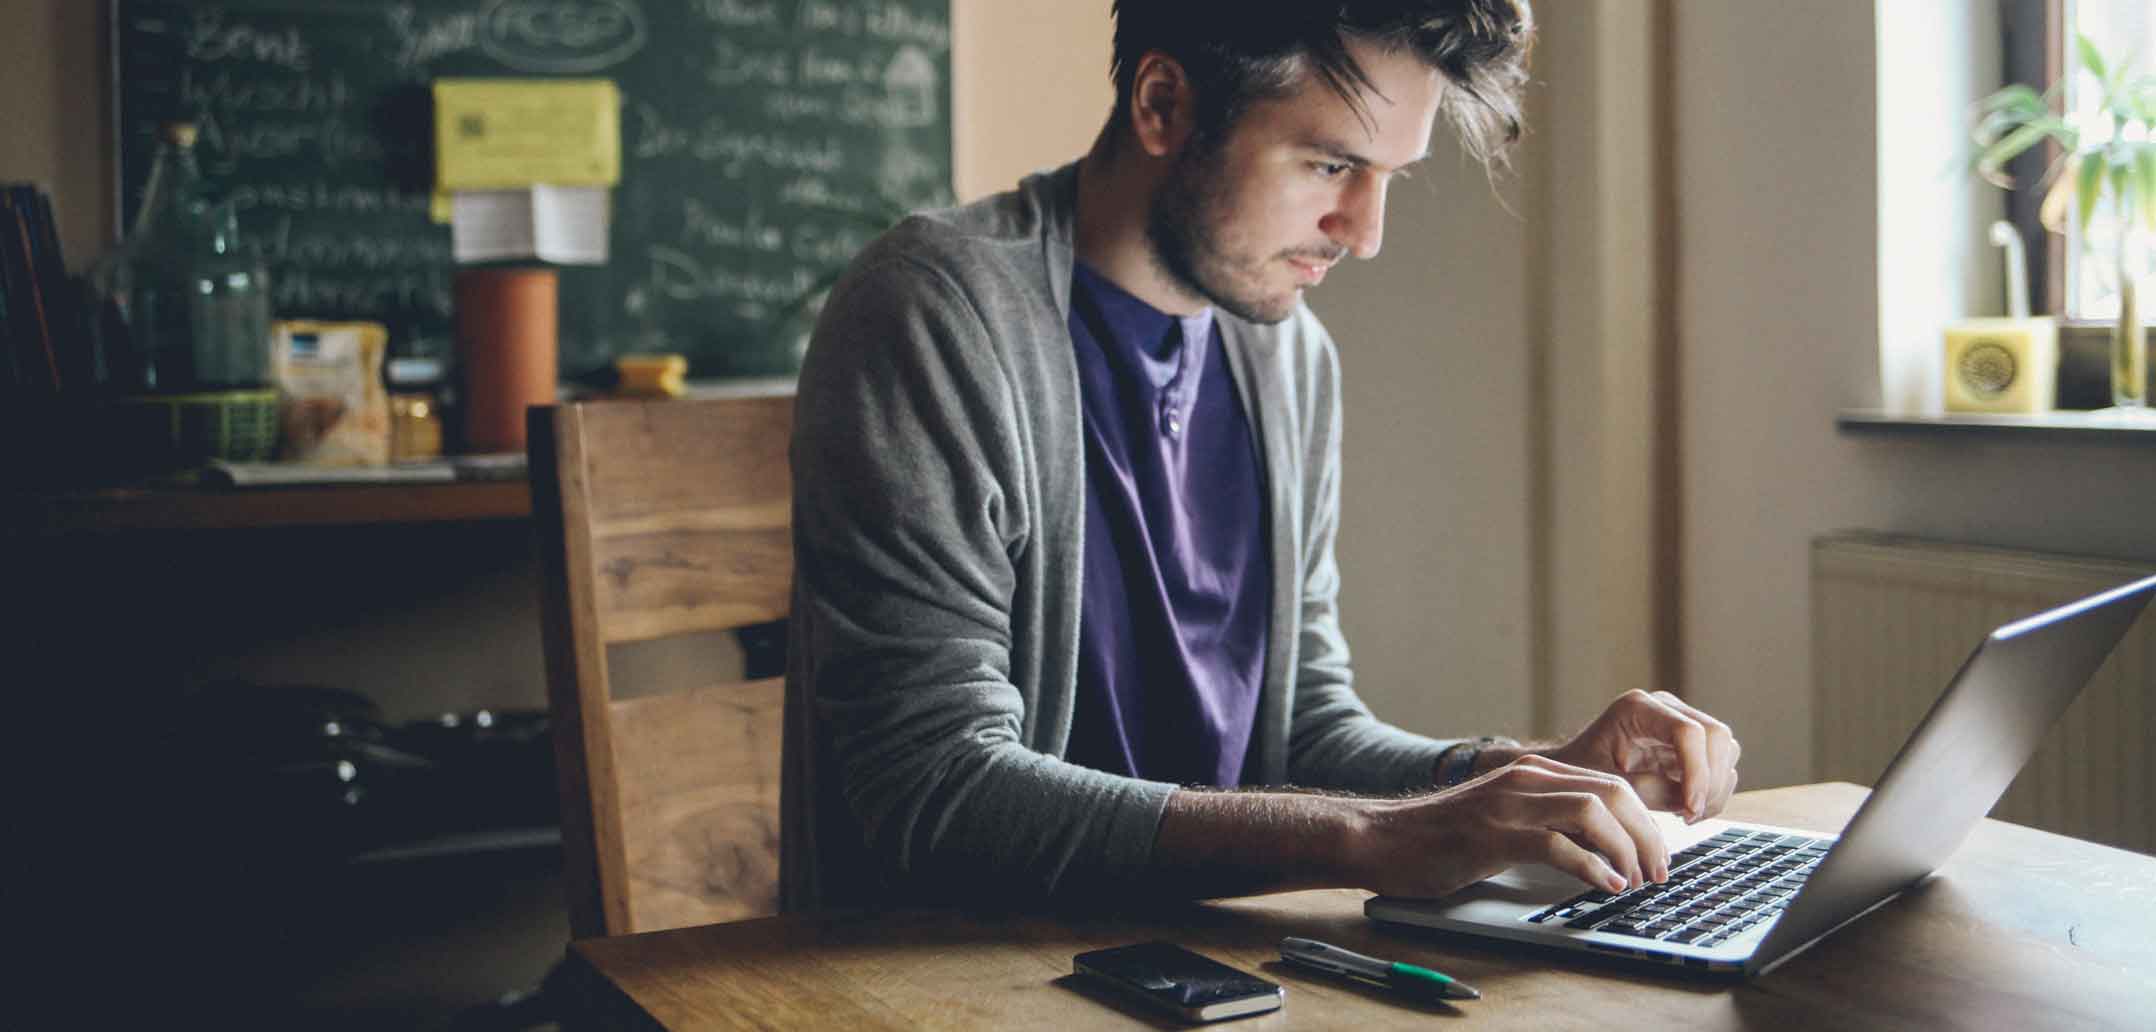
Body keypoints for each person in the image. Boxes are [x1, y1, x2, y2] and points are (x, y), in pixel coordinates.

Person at [781, 0, 1739, 912]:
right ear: (1163, 105)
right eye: (1329, 166)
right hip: (948, 975)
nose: (1364, 235)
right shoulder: (935, 317)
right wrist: (1371, 835)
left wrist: (1516, 781)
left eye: (1388, 179)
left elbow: (1304, 727)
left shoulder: (1288, 357)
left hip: (1203, 963)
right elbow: (932, 789)